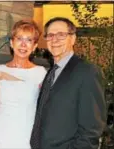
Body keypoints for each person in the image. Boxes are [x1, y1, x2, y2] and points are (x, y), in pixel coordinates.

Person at [30, 17, 107, 149]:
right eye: (50, 35)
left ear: (73, 39)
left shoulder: (87, 72)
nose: (55, 40)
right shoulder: (50, 72)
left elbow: (92, 129)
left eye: (61, 35)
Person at [0, 20, 47, 149]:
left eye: (29, 40)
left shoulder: (41, 73)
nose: (23, 44)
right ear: (12, 43)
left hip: (26, 134)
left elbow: (46, 107)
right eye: (19, 39)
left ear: (34, 46)